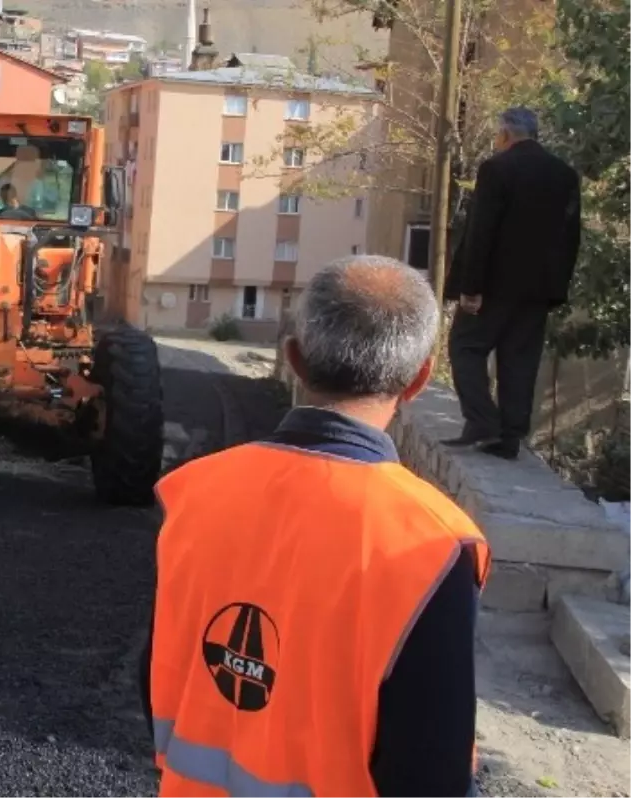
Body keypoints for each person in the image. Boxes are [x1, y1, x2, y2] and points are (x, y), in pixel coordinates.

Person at [141, 255, 491, 798]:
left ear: (294, 359)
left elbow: (159, 675)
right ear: (419, 379)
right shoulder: (433, 544)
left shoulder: (193, 494)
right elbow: (431, 770)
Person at [444, 106, 582, 460]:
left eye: (497, 134)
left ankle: (482, 421)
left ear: (505, 134)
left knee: (465, 346)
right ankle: (509, 438)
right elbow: (571, 237)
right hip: (538, 291)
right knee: (519, 360)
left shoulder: (496, 169)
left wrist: (470, 288)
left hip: (493, 287)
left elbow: (481, 232)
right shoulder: (564, 174)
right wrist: (556, 289)